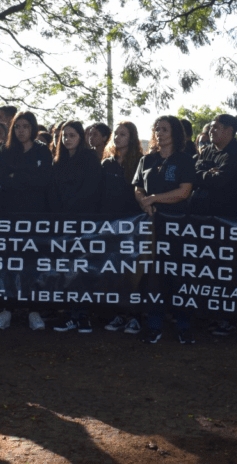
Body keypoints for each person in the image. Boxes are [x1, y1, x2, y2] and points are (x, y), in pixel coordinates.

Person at [132, 116, 195, 343]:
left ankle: (184, 326)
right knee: (153, 277)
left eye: (165, 129)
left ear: (175, 133)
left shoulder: (185, 160)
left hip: (177, 227)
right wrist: (143, 201)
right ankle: (154, 324)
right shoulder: (146, 160)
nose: (160, 133)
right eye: (157, 129)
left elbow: (184, 191)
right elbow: (138, 187)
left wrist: (153, 199)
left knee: (178, 276)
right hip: (151, 227)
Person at [0, 111, 53, 331]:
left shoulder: (42, 151)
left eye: (25, 126)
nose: (21, 130)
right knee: (9, 263)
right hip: (9, 216)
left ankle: (33, 311)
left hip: (35, 217)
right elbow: (2, 182)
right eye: (17, 126)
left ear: (33, 128)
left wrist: (17, 177)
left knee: (32, 265)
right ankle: (7, 310)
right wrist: (27, 178)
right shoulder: (5, 151)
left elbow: (43, 182)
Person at [48, 121, 103, 333]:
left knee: (82, 270)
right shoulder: (57, 161)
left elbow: (92, 189)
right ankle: (70, 315)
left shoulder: (89, 159)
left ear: (81, 137)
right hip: (62, 225)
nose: (67, 139)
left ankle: (83, 316)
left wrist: (72, 212)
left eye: (72, 135)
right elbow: (51, 191)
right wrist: (60, 214)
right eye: (64, 135)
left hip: (83, 223)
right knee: (66, 271)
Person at [100, 121, 144, 334]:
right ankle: (117, 315)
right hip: (109, 226)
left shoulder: (140, 163)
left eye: (123, 134)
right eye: (116, 134)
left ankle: (135, 317)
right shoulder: (106, 163)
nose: (117, 137)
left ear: (132, 138)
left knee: (132, 273)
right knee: (114, 271)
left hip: (133, 227)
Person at [191, 114, 237, 219]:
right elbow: (190, 176)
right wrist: (208, 174)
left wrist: (201, 174)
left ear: (229, 130)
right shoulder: (207, 150)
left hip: (225, 218)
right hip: (198, 213)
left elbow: (220, 181)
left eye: (215, 127)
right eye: (211, 127)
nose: (211, 131)